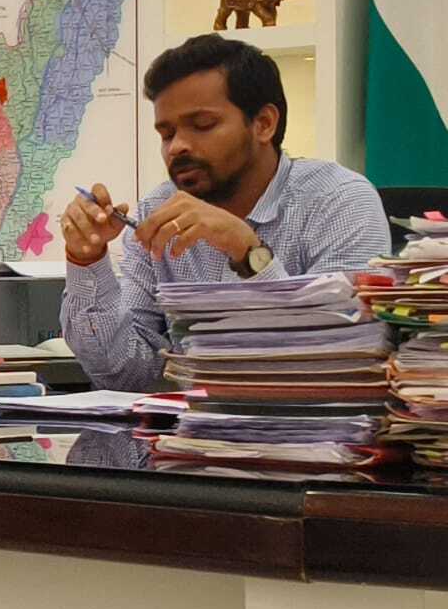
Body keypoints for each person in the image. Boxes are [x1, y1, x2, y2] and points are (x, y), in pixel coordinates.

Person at [59, 34, 390, 391]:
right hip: (192, 426)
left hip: (307, 426)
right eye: (166, 134)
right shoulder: (159, 209)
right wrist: (86, 259)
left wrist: (248, 253)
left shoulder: (338, 200)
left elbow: (343, 361)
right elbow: (127, 375)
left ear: (264, 123)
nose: (177, 146)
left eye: (202, 125)